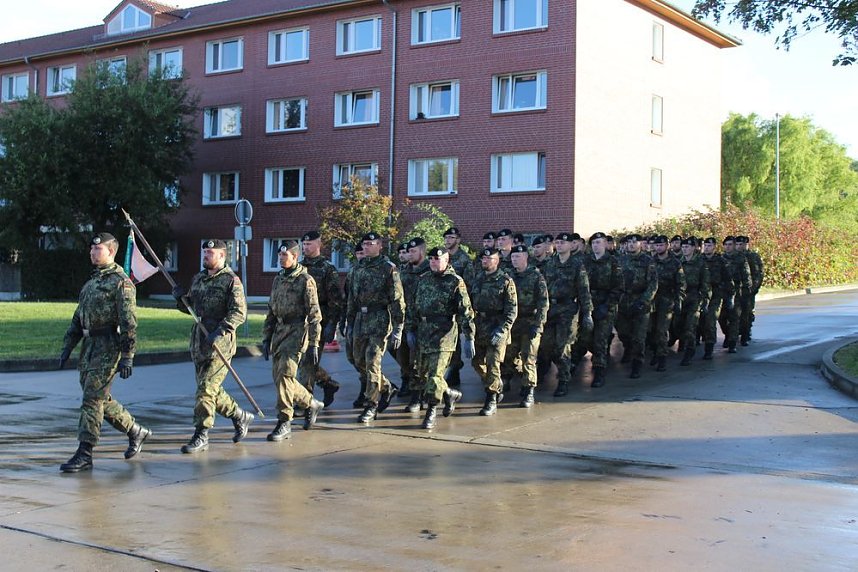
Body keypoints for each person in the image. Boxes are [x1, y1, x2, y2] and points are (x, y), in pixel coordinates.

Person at [58, 233, 151, 473]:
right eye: (91, 248)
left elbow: (129, 322)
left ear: (111, 252)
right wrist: (68, 345)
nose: (92, 251)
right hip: (89, 348)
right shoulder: (90, 283)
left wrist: (128, 355)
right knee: (99, 400)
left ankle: (85, 453)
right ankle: (135, 431)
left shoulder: (121, 283)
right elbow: (78, 318)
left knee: (91, 399)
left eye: (98, 248)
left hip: (109, 347)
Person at [172, 239, 253, 454]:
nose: (205, 256)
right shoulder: (198, 278)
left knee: (206, 390)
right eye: (204, 252)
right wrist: (181, 299)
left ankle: (201, 433)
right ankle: (239, 416)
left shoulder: (230, 281)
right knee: (210, 390)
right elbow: (190, 307)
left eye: (210, 252)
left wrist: (220, 330)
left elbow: (239, 313)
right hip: (199, 341)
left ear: (222, 256)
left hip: (220, 344)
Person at [260, 241, 325, 440]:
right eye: (279, 255)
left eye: (284, 255)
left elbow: (315, 315)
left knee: (286, 374)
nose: (280, 258)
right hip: (280, 331)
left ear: (295, 257)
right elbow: (271, 310)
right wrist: (266, 337)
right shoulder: (278, 279)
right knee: (280, 378)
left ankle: (284, 421)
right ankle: (311, 403)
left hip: (297, 331)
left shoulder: (305, 280)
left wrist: (314, 342)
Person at [406, 247, 475, 428]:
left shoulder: (455, 281)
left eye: (437, 259)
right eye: (431, 259)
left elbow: (465, 311)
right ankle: (449, 394)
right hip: (424, 333)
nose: (433, 262)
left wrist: (469, 336)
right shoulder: (424, 280)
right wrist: (410, 329)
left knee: (435, 375)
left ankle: (431, 411)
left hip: (444, 334)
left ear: (446, 260)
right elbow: (414, 307)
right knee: (423, 374)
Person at [346, 232, 405, 423]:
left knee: (372, 362)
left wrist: (398, 327)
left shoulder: (388, 269)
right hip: (360, 320)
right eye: (364, 244)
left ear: (380, 246)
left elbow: (397, 299)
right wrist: (347, 322)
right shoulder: (357, 268)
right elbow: (351, 298)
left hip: (379, 318)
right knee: (357, 360)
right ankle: (386, 387)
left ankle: (371, 405)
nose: (366, 247)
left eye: (370, 244)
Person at [543, 232, 593, 396]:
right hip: (551, 309)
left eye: (563, 243)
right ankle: (563, 369)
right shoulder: (550, 263)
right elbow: (543, 288)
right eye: (557, 242)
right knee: (547, 346)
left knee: (562, 347)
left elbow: (584, 291)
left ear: (572, 245)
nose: (560, 245)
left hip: (568, 310)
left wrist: (587, 314)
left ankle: (564, 380)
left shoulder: (577, 265)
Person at [297, 231, 343, 407]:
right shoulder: (298, 267)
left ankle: (305, 402)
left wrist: (332, 323)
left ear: (319, 245)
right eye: (304, 244)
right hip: (299, 321)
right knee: (301, 361)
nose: (305, 247)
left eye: (309, 244)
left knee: (308, 361)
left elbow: (335, 299)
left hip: (319, 321)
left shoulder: (327, 268)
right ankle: (327, 383)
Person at [470, 248, 518, 415]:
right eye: (483, 258)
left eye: (489, 258)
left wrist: (502, 331)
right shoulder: (478, 279)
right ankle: (496, 385)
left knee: (493, 364)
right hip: (480, 326)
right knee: (476, 362)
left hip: (497, 326)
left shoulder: (505, 281)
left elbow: (512, 311)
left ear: (497, 261)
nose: (485, 261)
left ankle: (491, 399)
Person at [501, 244, 549, 406]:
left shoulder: (536, 276)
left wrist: (539, 324)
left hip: (530, 321)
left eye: (518, 257)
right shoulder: (508, 276)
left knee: (529, 357)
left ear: (526, 258)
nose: (515, 260)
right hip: (513, 322)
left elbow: (543, 302)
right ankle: (506, 380)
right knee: (508, 354)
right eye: (513, 257)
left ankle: (529, 391)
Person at [577, 232, 624, 387]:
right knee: (585, 338)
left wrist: (607, 305)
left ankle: (599, 371)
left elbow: (618, 287)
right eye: (594, 243)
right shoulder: (585, 261)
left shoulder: (613, 262)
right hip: (588, 304)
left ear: (605, 244)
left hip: (606, 305)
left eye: (599, 242)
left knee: (600, 340)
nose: (596, 245)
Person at [398, 237, 430, 400]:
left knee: (417, 361)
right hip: (404, 322)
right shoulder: (404, 271)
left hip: (423, 324)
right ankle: (408, 381)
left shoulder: (430, 270)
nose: (410, 255)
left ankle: (418, 393)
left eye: (413, 251)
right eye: (408, 251)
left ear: (422, 252)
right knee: (402, 356)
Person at [649, 235, 686, 372]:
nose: (658, 248)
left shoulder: (675, 263)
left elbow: (681, 284)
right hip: (652, 299)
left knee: (661, 330)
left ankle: (662, 357)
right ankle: (655, 352)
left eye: (661, 245)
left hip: (667, 299)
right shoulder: (651, 261)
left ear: (667, 245)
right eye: (657, 245)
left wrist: (678, 300)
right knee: (651, 329)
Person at [340, 241, 368, 407]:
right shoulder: (353, 272)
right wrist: (345, 321)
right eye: (358, 254)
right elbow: (347, 299)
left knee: (369, 359)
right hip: (355, 318)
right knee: (354, 358)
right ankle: (380, 386)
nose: (361, 256)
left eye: (363, 253)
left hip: (375, 321)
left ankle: (369, 390)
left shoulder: (384, 269)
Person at [443, 227, 472, 388]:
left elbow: (468, 285)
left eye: (451, 237)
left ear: (458, 240)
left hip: (457, 306)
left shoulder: (464, 259)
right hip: (442, 307)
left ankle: (455, 370)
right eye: (446, 237)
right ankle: (452, 370)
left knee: (456, 341)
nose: (448, 240)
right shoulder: (442, 257)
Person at [677, 238, 711, 365]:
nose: (684, 249)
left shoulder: (701, 263)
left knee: (690, 326)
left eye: (687, 247)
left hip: (695, 297)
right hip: (680, 298)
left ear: (693, 248)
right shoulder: (678, 262)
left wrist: (704, 300)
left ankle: (689, 351)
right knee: (677, 325)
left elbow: (705, 283)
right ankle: (684, 343)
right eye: (683, 247)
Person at [719, 236, 752, 353]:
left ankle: (732, 343)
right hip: (722, 291)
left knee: (734, 318)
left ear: (734, 245)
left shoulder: (741, 258)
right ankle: (728, 334)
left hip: (737, 291)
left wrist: (746, 293)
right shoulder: (720, 258)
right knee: (721, 317)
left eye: (730, 244)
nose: (728, 247)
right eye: (726, 244)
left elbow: (746, 276)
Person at [701, 237, 732, 360]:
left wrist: (729, 296)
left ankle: (709, 348)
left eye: (709, 245)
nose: (707, 247)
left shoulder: (721, 261)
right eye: (705, 245)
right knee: (702, 320)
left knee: (712, 319)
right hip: (703, 293)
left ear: (714, 247)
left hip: (717, 294)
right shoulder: (699, 260)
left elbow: (727, 279)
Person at [736, 235, 764, 345]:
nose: (739, 246)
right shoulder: (734, 256)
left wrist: (753, 289)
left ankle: (745, 334)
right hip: (737, 290)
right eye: (737, 244)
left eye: (741, 244)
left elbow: (758, 274)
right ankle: (735, 332)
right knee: (735, 313)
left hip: (749, 290)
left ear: (747, 244)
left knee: (746, 313)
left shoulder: (753, 256)